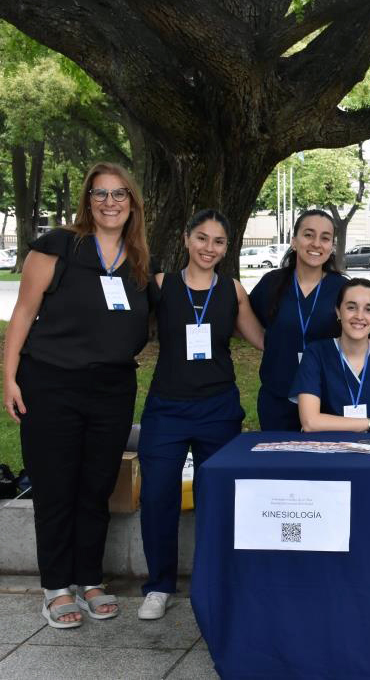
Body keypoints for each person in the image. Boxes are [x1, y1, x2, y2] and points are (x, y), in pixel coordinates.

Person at [3, 163, 152, 628]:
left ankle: (89, 580)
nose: (110, 202)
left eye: (119, 194)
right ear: (87, 200)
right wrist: (9, 378)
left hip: (112, 389)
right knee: (55, 487)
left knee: (95, 487)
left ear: (132, 202)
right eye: (100, 194)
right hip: (51, 384)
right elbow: (22, 314)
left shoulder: (138, 259)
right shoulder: (58, 247)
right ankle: (56, 587)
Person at [137, 209, 264, 621]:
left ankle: (216, 580)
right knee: (157, 496)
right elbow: (127, 328)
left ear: (227, 247)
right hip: (166, 409)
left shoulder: (232, 290)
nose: (209, 248)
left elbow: (262, 339)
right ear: (186, 238)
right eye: (202, 238)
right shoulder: (162, 285)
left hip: (218, 408)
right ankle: (159, 585)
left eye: (219, 242)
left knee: (218, 497)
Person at [250, 209, 348, 430]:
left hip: (328, 398)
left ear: (332, 246)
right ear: (294, 241)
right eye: (308, 235)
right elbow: (244, 319)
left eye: (325, 238)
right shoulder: (271, 283)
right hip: (278, 397)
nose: (316, 243)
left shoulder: (342, 288)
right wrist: (266, 342)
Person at [291, 278, 370, 433]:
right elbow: (310, 422)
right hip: (329, 447)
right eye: (351, 307)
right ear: (338, 311)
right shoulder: (316, 354)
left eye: (369, 310)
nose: (359, 316)